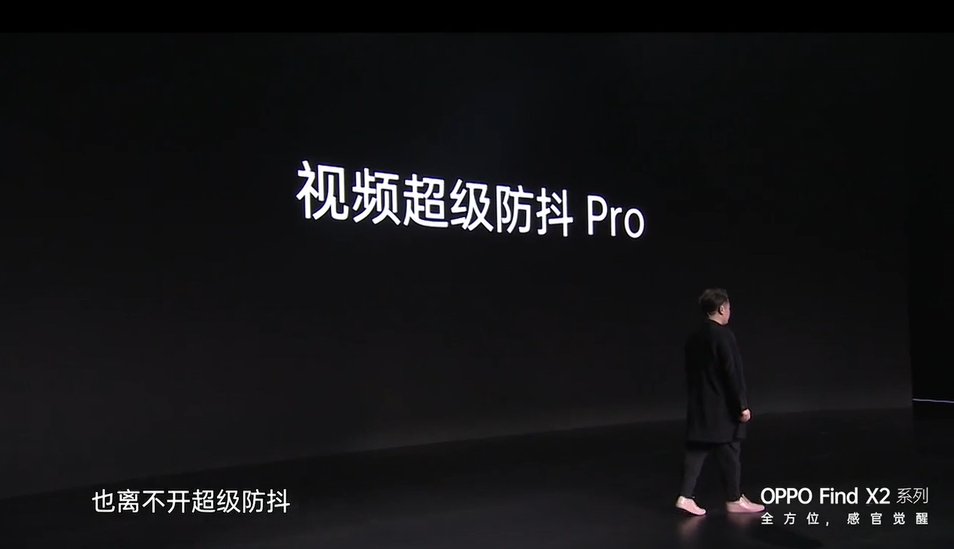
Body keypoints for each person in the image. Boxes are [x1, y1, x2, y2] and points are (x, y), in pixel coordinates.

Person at [675, 288, 765, 516]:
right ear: (722, 308)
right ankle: (734, 498)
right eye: (729, 307)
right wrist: (741, 405)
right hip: (721, 407)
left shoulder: (694, 337)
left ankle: (685, 496)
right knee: (731, 448)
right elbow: (731, 373)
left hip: (699, 405)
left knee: (697, 450)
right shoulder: (723, 336)